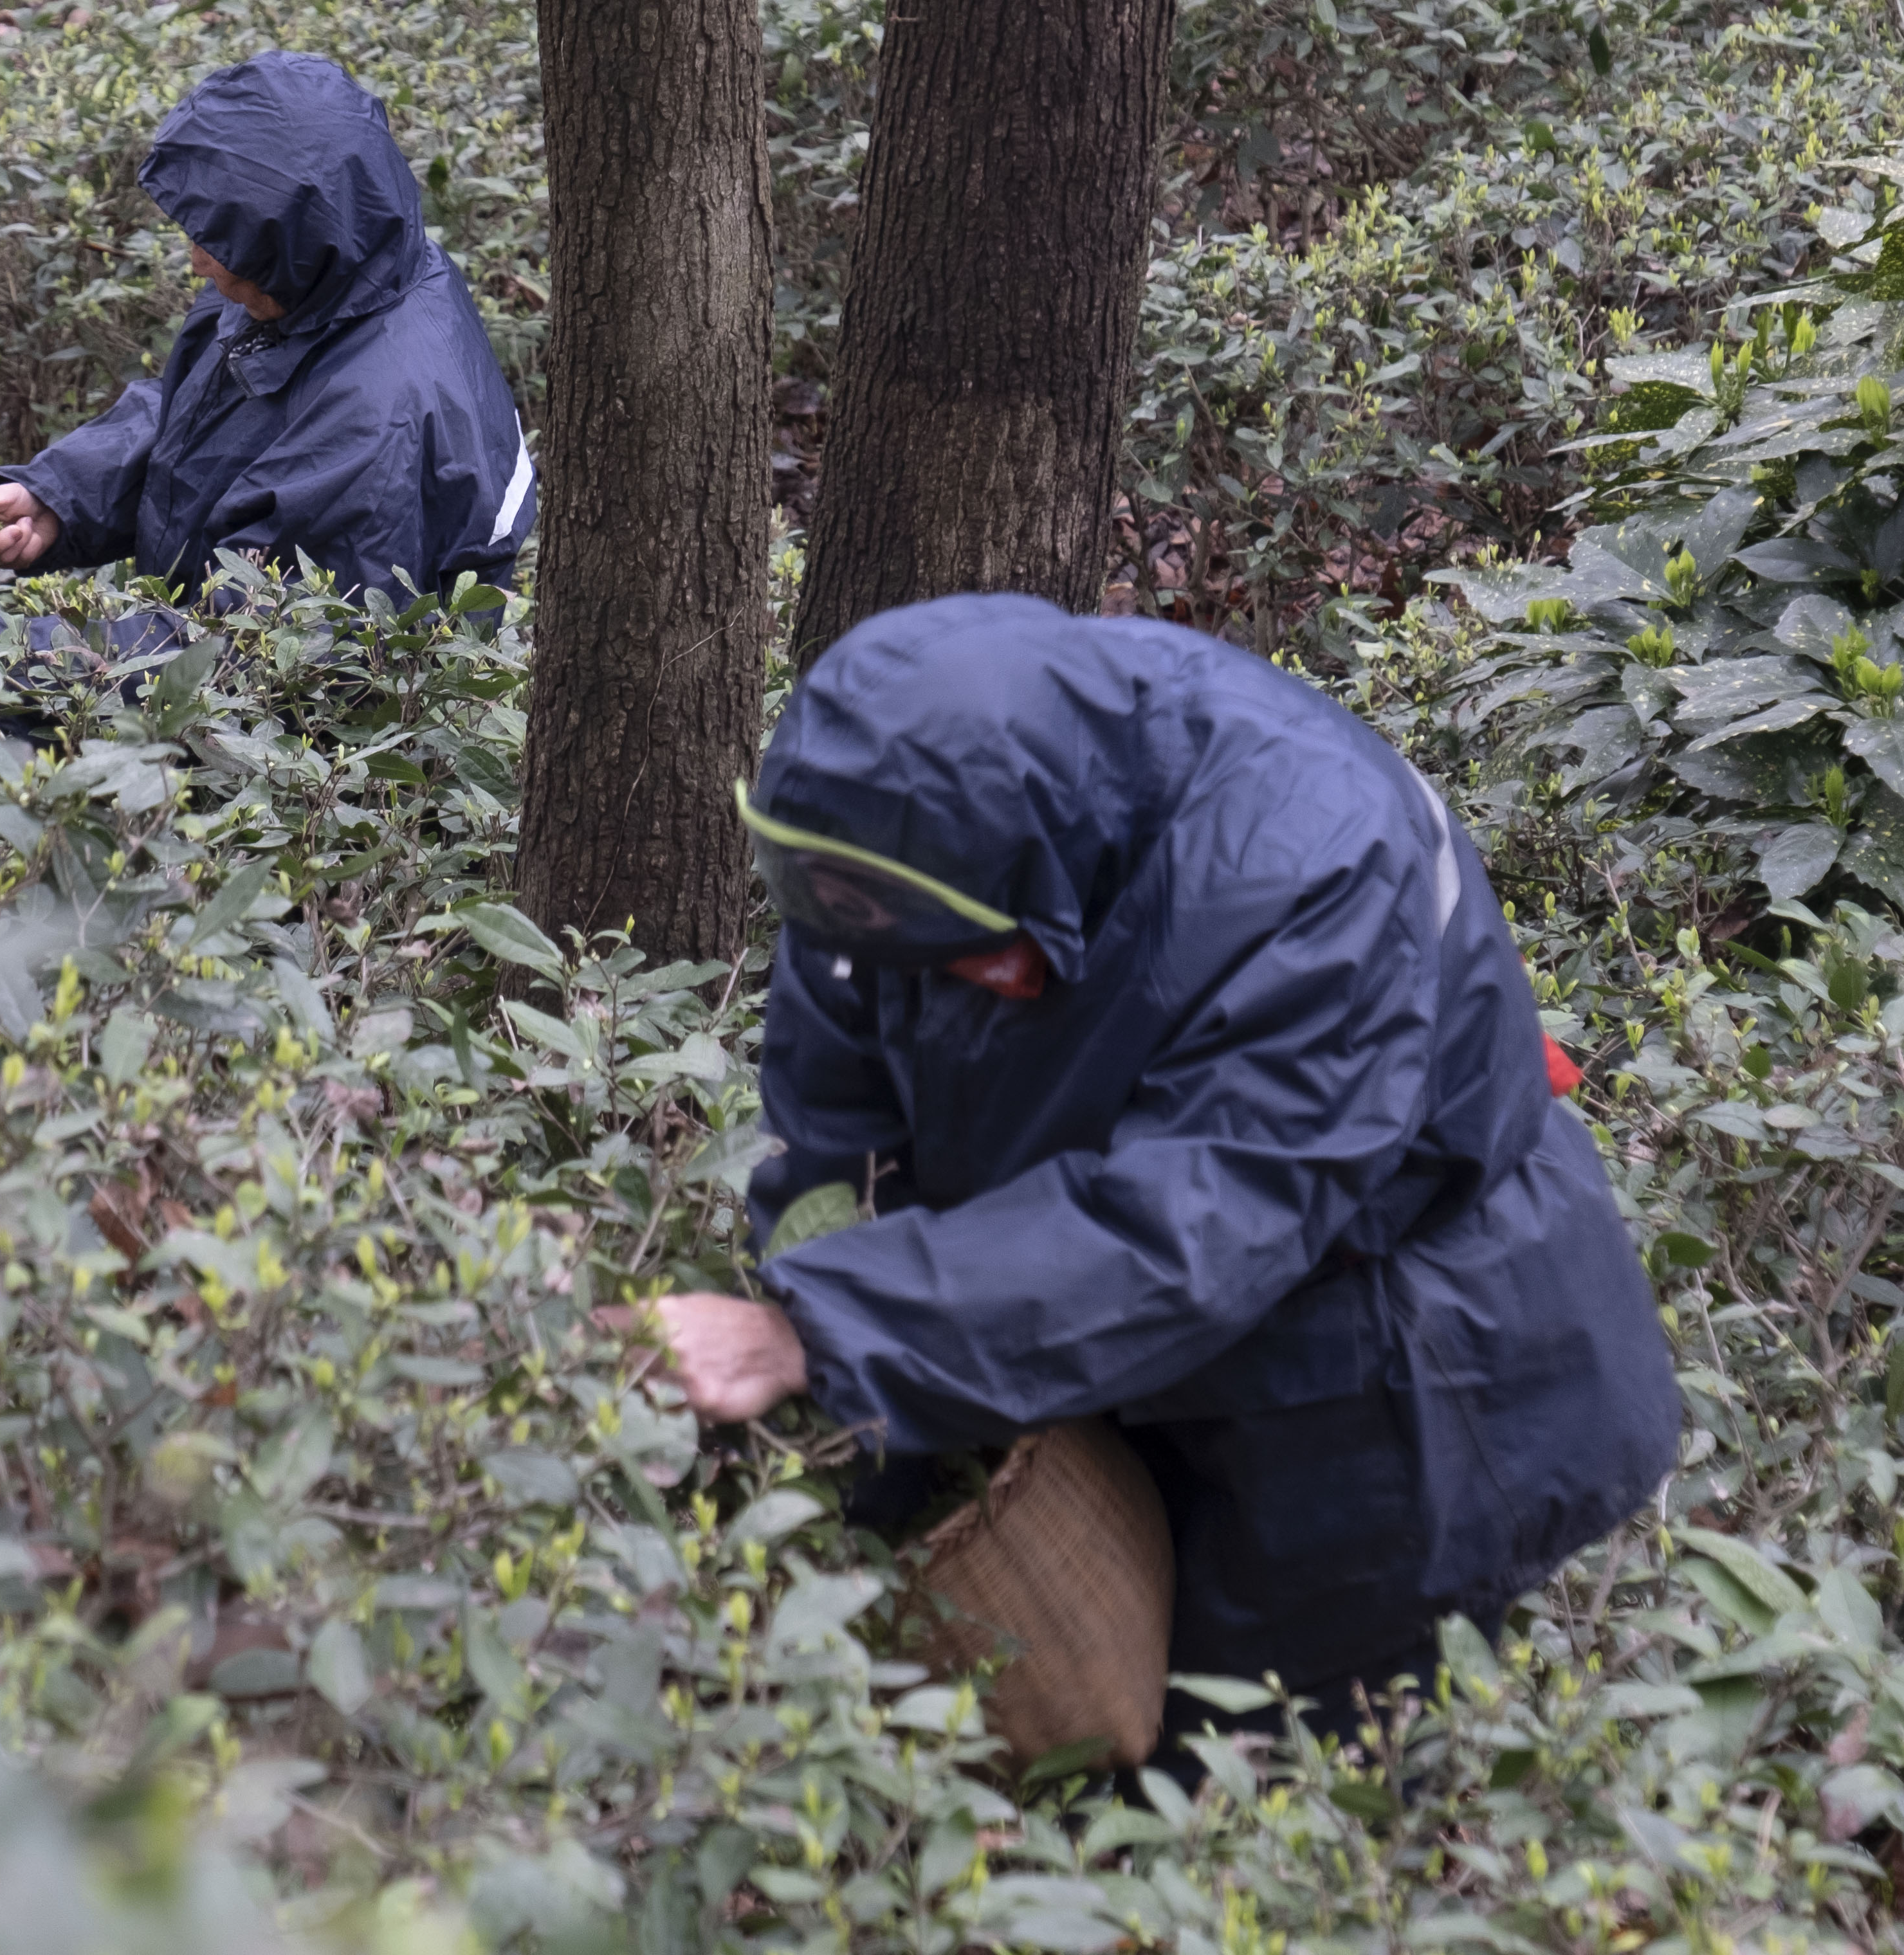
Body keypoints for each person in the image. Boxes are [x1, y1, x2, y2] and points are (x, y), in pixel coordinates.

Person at [643, 594, 1683, 1747]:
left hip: (1393, 1374)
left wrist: (828, 1334)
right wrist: (842, 1401)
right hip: (1135, 1355)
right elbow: (832, 1127)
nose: (922, 984)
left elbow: (1191, 1224)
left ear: (1049, 884)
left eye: (968, 961)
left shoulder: (1311, 866)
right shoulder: (883, 849)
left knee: (1266, 1775)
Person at [0, 52, 531, 601]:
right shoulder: (336, 270)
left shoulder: (376, 427)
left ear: (296, 241)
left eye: (220, 243)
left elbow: (235, 656)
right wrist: (60, 498)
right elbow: (202, 415)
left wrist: (4, 668)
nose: (199, 261)